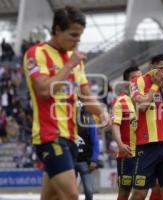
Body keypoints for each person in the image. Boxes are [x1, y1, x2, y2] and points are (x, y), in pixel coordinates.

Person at [23, 6, 110, 200]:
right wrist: (69, 66)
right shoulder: (36, 54)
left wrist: (102, 112)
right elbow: (44, 91)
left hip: (71, 137)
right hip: (49, 136)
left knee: (52, 197)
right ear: (56, 30)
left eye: (80, 36)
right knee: (71, 195)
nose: (77, 40)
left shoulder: (75, 59)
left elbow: (86, 95)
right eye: (73, 35)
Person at [129, 54, 163, 200]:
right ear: (151, 67)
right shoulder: (138, 81)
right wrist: (155, 86)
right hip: (146, 145)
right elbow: (142, 106)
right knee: (140, 193)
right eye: (161, 68)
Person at [112, 66, 142, 200]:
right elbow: (115, 125)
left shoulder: (147, 100)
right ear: (126, 83)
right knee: (124, 191)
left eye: (140, 77)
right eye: (134, 78)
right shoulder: (120, 101)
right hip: (127, 154)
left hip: (145, 154)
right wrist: (120, 145)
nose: (137, 81)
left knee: (141, 192)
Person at [75, 106, 100, 200]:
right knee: (69, 192)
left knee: (89, 192)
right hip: (69, 161)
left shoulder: (88, 121)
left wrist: (94, 159)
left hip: (85, 162)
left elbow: (95, 141)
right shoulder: (65, 122)